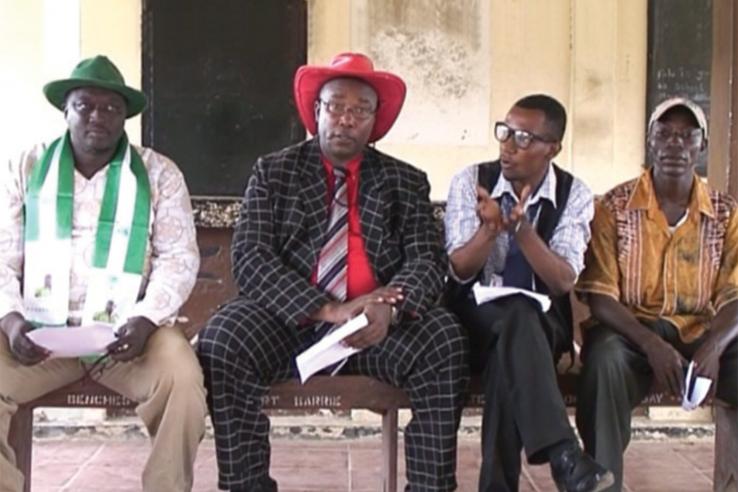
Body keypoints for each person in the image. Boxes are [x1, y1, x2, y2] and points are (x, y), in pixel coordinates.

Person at [197, 52, 469, 492]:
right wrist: (328, 310)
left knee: (444, 336)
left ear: (375, 121)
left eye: (360, 110)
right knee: (225, 337)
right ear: (315, 112)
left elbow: (426, 259)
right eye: (335, 107)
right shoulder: (274, 172)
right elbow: (251, 259)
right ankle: (246, 485)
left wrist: (388, 307)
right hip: (292, 325)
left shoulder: (405, 181)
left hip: (377, 331)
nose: (345, 120)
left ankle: (429, 487)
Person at [0, 55, 207, 492]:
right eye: (85, 105)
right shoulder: (23, 167)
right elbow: (1, 253)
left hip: (129, 337)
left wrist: (148, 318)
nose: (98, 116)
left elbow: (179, 257)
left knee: (183, 380)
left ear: (125, 116)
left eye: (111, 107)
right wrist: (12, 320)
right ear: (65, 110)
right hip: (37, 339)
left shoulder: (158, 173)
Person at [444, 94, 613, 492]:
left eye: (523, 138)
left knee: (518, 327)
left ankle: (559, 460)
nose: (507, 145)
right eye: (505, 132)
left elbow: (562, 281)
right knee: (512, 335)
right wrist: (489, 231)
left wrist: (523, 231)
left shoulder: (574, 194)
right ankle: (565, 456)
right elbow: (460, 268)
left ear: (552, 148)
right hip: (473, 322)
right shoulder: (472, 181)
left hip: (540, 325)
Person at [575, 97, 738, 491]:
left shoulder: (726, 212)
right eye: (664, 134)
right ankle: (603, 483)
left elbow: (735, 295)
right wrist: (650, 343)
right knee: (605, 363)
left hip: (702, 334)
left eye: (687, 136)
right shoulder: (613, 207)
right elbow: (600, 297)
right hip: (631, 335)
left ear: (701, 146)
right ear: (650, 142)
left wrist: (714, 347)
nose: (675, 145)